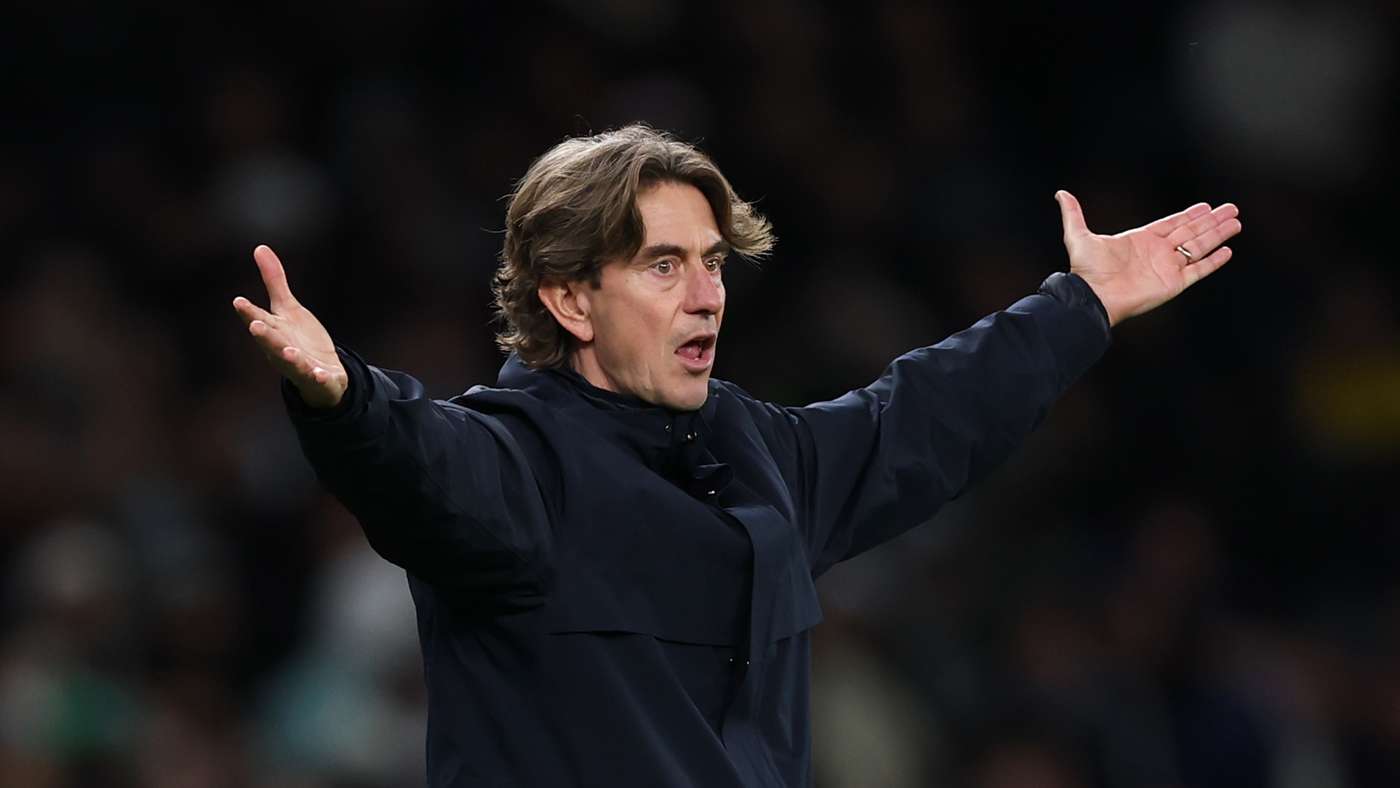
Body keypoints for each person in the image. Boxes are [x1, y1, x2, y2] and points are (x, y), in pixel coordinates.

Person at [230, 124, 1241, 787]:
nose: (707, 293)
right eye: (662, 265)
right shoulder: (511, 467)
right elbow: (411, 459)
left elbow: (920, 417)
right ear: (569, 295)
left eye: (711, 263)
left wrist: (1079, 303)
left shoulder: (757, 450)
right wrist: (342, 396)